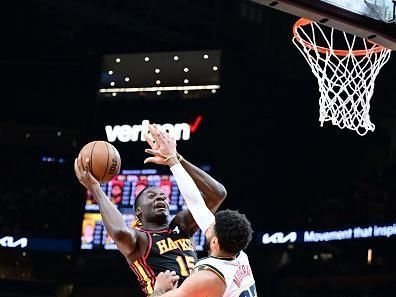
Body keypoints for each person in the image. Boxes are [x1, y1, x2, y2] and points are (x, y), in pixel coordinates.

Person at [74, 124, 227, 296]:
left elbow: (217, 194)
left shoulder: (182, 226)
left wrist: (175, 158)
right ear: (138, 212)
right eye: (152, 196)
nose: (160, 197)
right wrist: (95, 188)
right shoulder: (140, 239)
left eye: (162, 196)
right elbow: (118, 231)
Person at [150, 210, 256, 297]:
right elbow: (197, 204)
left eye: (211, 227)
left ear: (214, 242)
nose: (207, 227)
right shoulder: (240, 255)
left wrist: (159, 289)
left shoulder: (208, 278)